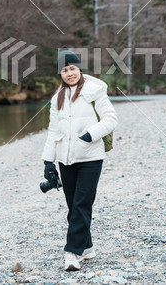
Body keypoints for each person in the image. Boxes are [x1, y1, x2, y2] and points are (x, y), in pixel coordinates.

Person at [41, 47, 118, 271]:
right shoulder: (57, 98)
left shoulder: (95, 92)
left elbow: (111, 119)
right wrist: (48, 162)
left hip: (91, 157)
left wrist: (89, 136)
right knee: (73, 206)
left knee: (82, 204)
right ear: (61, 74)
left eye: (72, 68)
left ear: (80, 69)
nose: (69, 73)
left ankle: (72, 252)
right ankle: (88, 248)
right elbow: (53, 132)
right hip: (66, 160)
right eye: (64, 70)